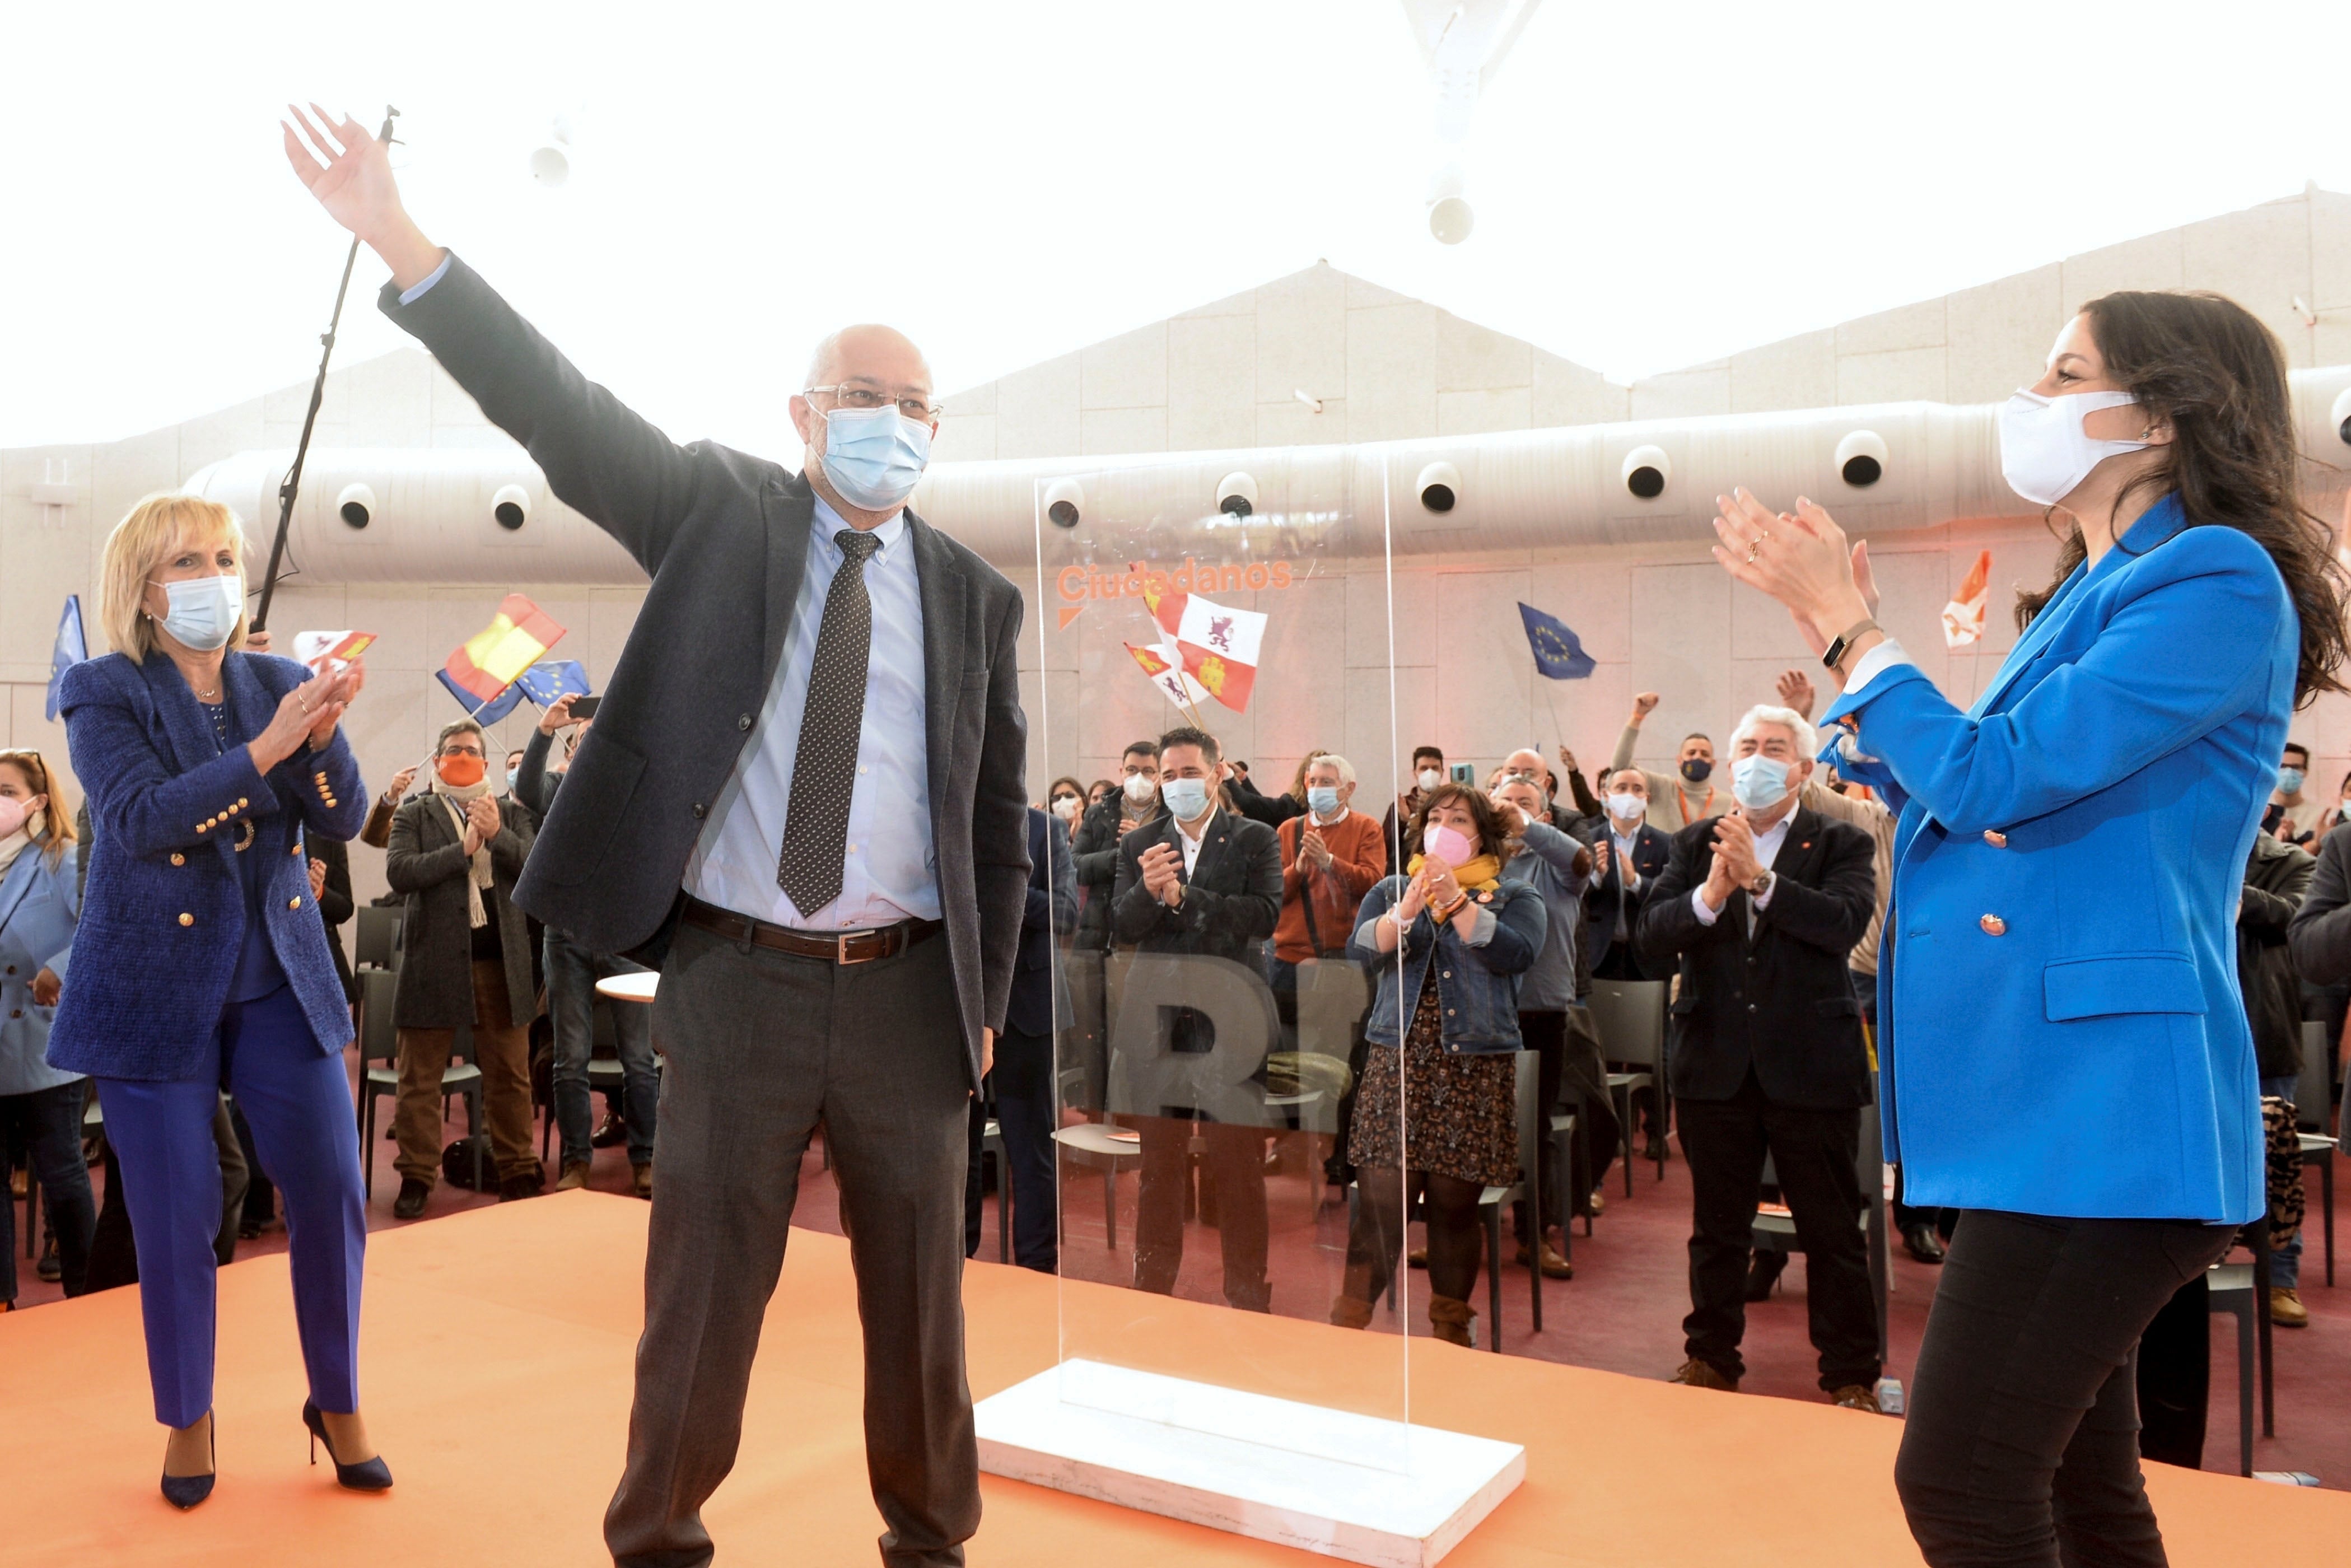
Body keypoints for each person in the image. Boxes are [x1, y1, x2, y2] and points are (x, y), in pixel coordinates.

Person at [291, 108, 1029, 1568]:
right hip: (736, 977)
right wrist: (397, 238)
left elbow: (997, 821)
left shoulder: (973, 597)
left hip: (908, 991)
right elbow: (552, 407)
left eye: (918, 404)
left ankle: (930, 1545)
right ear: (805, 415)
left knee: (922, 1310)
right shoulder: (716, 509)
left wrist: (986, 1003)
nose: (894, 420)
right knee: (702, 1290)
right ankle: (657, 1543)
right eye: (863, 393)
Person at [1715, 288, 2343, 1567]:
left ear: (2161, 413)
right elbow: (1993, 778)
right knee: (2071, 1484)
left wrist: (1850, 630)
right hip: (2061, 1104)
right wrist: (1849, 675)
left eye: (2064, 374)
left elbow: (1999, 781)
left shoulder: (2208, 578)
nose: (2034, 402)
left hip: (2106, 1105)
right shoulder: (2096, 586)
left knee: (1958, 1482)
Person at [52, 491, 385, 1506]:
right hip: (153, 985)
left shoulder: (279, 681)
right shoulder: (101, 690)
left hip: (280, 979)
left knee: (331, 1190)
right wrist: (272, 748)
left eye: (224, 557)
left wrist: (318, 736)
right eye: (188, 561)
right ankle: (187, 1415)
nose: (214, 577)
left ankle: (335, 1400)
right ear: (145, 590)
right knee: (176, 1214)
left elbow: (348, 813)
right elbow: (144, 819)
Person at [1634, 705, 1881, 1409]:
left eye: (1775, 747)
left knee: (1831, 1231)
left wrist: (1763, 882)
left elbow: (1842, 925)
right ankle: (1709, 1356)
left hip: (1811, 1065)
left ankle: (1850, 1373)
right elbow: (1651, 933)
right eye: (1747, 745)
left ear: (1803, 768)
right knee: (1716, 1227)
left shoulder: (1840, 840)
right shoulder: (1691, 844)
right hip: (1715, 1063)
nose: (1757, 757)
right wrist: (1713, 891)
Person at [1331, 783, 1546, 1347]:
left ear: (1483, 835)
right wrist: (1407, 911)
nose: (1443, 827)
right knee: (1379, 1204)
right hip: (1397, 1059)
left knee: (1453, 1208)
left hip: (1471, 1066)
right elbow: (1362, 949)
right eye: (1434, 818)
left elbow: (1515, 954)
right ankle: (1348, 1324)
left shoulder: (1516, 894)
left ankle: (1450, 1331)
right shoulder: (1392, 888)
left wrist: (1456, 903)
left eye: (1458, 819)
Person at [1111, 726, 1281, 1309]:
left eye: (1189, 772)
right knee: (1159, 1164)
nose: (1177, 783)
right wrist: (1148, 891)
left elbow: (1262, 917)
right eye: (1168, 774)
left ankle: (1246, 1287)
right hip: (1156, 1025)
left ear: (1215, 773)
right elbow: (1120, 924)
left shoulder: (1255, 837)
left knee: (1236, 1162)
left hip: (1232, 1021)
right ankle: (1152, 1285)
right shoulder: (1140, 844)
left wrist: (1185, 900)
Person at [384, 718, 542, 1214]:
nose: (463, 757)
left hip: (501, 963)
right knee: (419, 1079)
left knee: (510, 1076)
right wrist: (463, 852)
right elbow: (400, 871)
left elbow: (539, 866)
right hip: (432, 961)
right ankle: (416, 1176)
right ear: (437, 761)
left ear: (487, 762)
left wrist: (498, 837)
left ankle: (517, 1168)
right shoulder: (416, 813)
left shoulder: (511, 814)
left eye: (471, 751)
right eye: (453, 751)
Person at [520, 694, 660, 1197]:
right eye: (580, 744)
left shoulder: (636, 791)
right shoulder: (561, 790)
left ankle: (646, 1160)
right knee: (569, 1059)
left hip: (625, 937)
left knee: (640, 1059)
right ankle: (575, 1163)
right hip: (567, 938)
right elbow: (527, 789)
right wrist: (545, 730)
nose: (588, 750)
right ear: (571, 754)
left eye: (598, 743)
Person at [963, 805, 1075, 1272]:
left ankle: (1038, 1267)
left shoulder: (1046, 830)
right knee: (958, 1148)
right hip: (958, 1009)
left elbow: (1065, 914)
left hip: (1028, 1010)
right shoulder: (947, 819)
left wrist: (1000, 888)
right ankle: (957, 1258)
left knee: (1031, 1152)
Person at [0, 750, 92, 1306]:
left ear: (36, 802)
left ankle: (86, 1287)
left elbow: (99, 931)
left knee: (61, 1172)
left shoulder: (61, 858)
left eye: (7, 791)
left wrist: (58, 966)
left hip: (44, 1041)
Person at [1266, 754, 1383, 1184]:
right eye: (1313, 780)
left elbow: (1375, 885)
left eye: (1328, 781)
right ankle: (1290, 1146)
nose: (1318, 787)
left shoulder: (1367, 828)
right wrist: (1300, 866)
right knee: (1288, 1055)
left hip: (1342, 964)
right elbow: (1272, 894)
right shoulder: (1289, 830)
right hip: (1288, 961)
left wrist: (1331, 862)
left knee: (1340, 1059)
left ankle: (1339, 1154)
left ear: (1348, 788)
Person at [1492, 774, 1590, 1278]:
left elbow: (1582, 862)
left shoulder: (1556, 868)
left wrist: (1525, 827)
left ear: (1544, 817)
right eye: (1502, 800)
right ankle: (1465, 1229)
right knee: (1477, 1123)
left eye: (1523, 803)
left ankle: (1535, 1235)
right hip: (1483, 1012)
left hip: (1540, 1012)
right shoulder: (1478, 863)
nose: (1509, 807)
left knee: (1535, 1126)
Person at [2233, 829, 2313, 1326]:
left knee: (2277, 1159)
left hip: (2265, 1032)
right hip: (2195, 1030)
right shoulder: (2185, 845)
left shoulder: (2291, 861)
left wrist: (2230, 889)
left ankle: (2282, 1277)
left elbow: (2296, 920)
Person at [1583, 767, 1672, 983]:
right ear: (1606, 795)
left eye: (1637, 789)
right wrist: (1595, 877)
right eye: (1621, 788)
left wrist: (1636, 882)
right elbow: (1571, 895)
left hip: (1647, 957)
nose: (1629, 795)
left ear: (1647, 798)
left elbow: (1672, 897)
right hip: (1598, 956)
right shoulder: (1588, 839)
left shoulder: (1666, 843)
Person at [1609, 694, 1718, 832]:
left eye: (1705, 754)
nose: (1697, 758)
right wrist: (1637, 717)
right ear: (1679, 760)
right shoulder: (1659, 787)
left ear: (1713, 764)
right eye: (1691, 753)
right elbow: (1620, 766)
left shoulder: (1727, 802)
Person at [1382, 745, 1447, 874]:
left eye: (1435, 768)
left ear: (1442, 772)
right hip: (1406, 874)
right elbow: (1385, 848)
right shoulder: (1402, 805)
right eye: (1424, 769)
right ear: (1415, 773)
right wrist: (1403, 822)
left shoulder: (1450, 805)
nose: (1430, 773)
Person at [2263, 741, 2325, 847]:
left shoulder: (2319, 816)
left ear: (2305, 772)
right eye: (2283, 766)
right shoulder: (2263, 810)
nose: (2289, 772)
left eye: (2295, 767)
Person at [1043, 776, 1086, 840]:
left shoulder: (1095, 832)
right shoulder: (1047, 838)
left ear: (1083, 801)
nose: (1063, 801)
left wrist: (1078, 837)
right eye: (1057, 798)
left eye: (1069, 796)